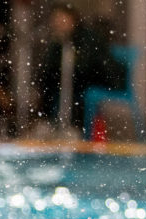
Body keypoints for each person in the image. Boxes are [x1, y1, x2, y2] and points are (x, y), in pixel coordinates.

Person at [36, 3, 125, 131]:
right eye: (55, 20)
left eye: (62, 20)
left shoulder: (87, 38)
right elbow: (47, 69)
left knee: (74, 86)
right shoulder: (59, 41)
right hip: (78, 79)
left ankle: (75, 127)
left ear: (72, 20)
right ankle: (49, 121)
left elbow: (86, 67)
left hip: (101, 79)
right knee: (50, 83)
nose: (58, 24)